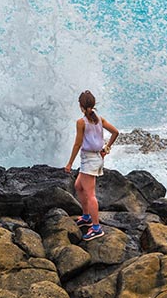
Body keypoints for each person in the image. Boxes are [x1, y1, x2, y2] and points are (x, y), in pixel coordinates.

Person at [64, 90, 120, 241]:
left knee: (90, 195)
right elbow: (115, 132)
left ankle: (96, 228)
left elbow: (77, 144)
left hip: (90, 160)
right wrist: (106, 148)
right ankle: (87, 216)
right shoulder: (99, 119)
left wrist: (69, 163)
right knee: (78, 186)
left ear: (81, 106)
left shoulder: (81, 122)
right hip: (94, 158)